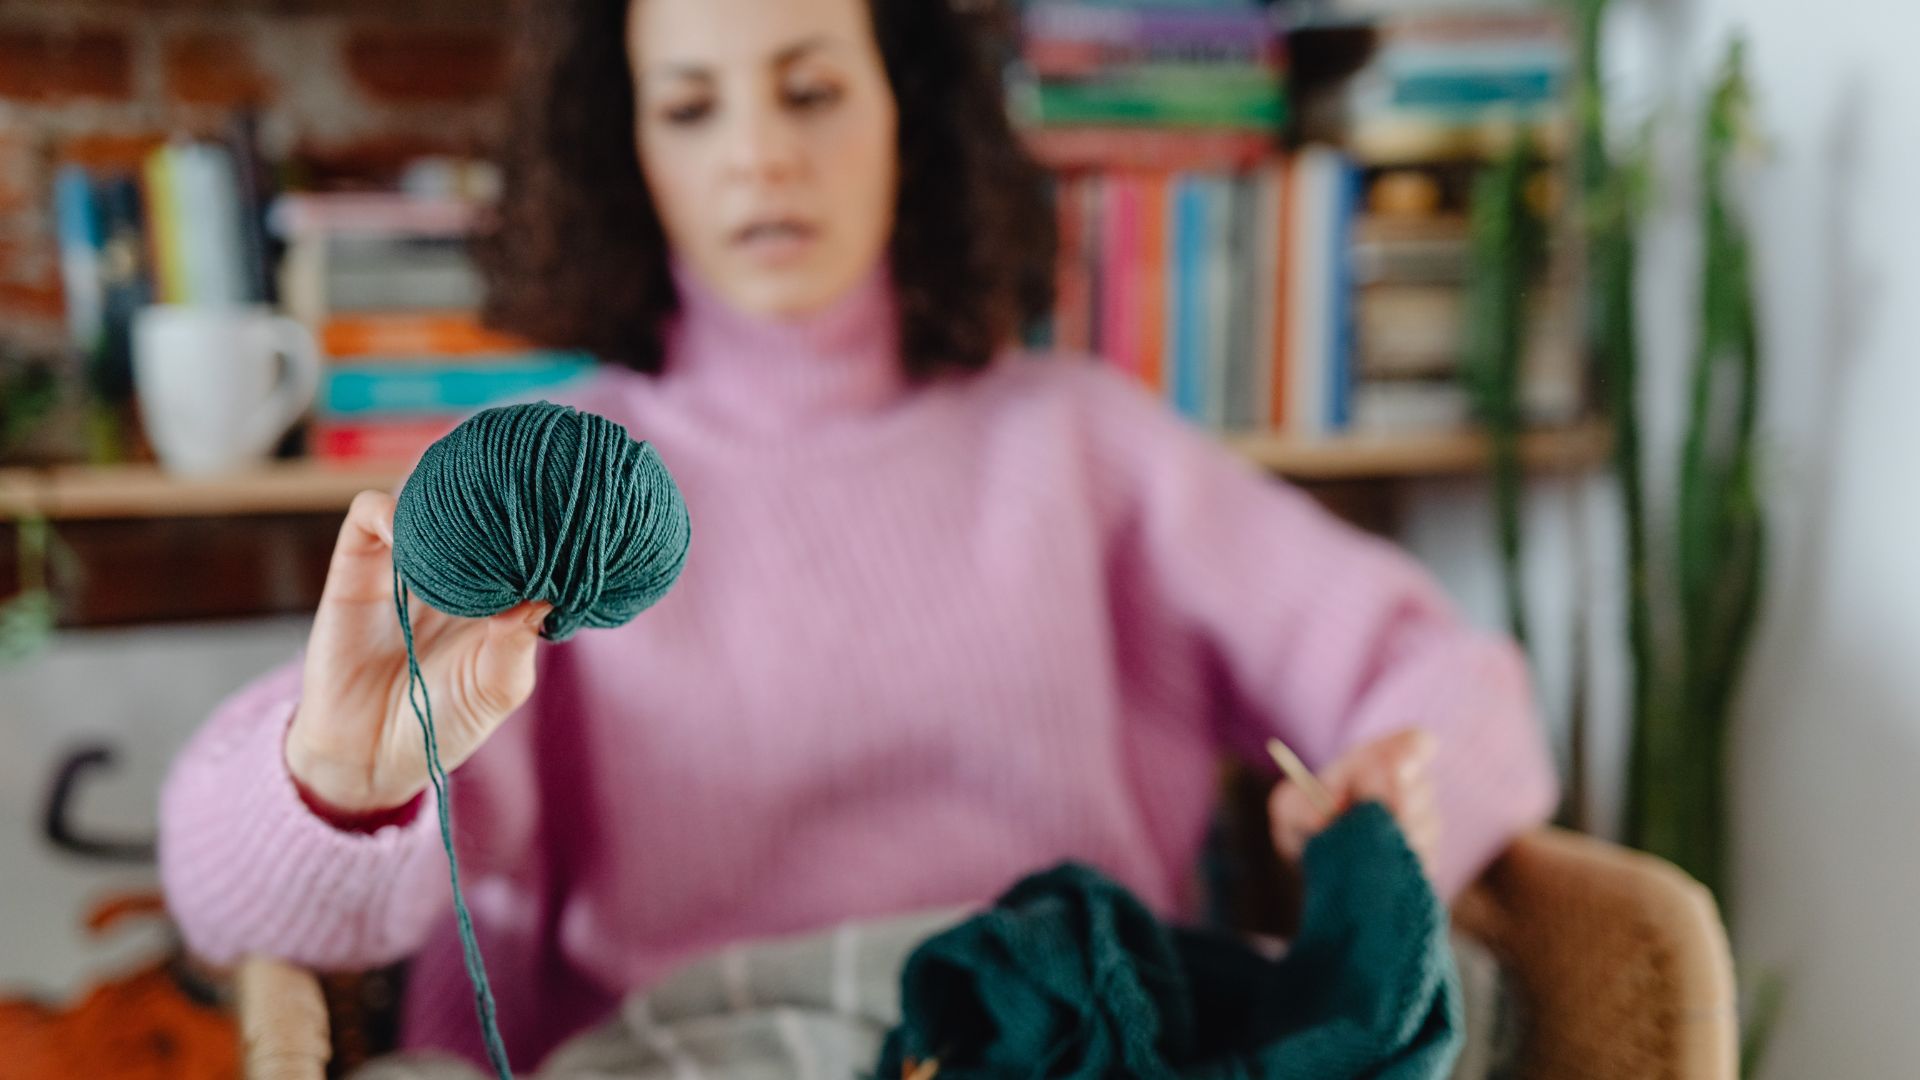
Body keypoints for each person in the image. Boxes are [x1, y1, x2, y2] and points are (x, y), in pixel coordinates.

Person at [158, 0, 1557, 1069]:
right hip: (694, 1044)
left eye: (812, 89)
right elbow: (238, 900)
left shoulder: (1075, 445)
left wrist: (1384, 825)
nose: (761, 153)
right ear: (627, 146)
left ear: (910, 110)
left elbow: (1460, 687)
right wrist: (335, 786)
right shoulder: (555, 483)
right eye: (692, 106)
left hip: (1064, 1026)